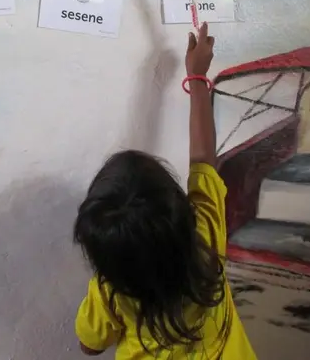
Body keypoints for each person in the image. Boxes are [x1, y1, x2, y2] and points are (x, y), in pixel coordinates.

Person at [72, 22, 257, 359]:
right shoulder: (206, 237)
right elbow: (203, 158)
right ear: (179, 210)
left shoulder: (110, 292)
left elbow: (89, 346)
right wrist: (197, 77)